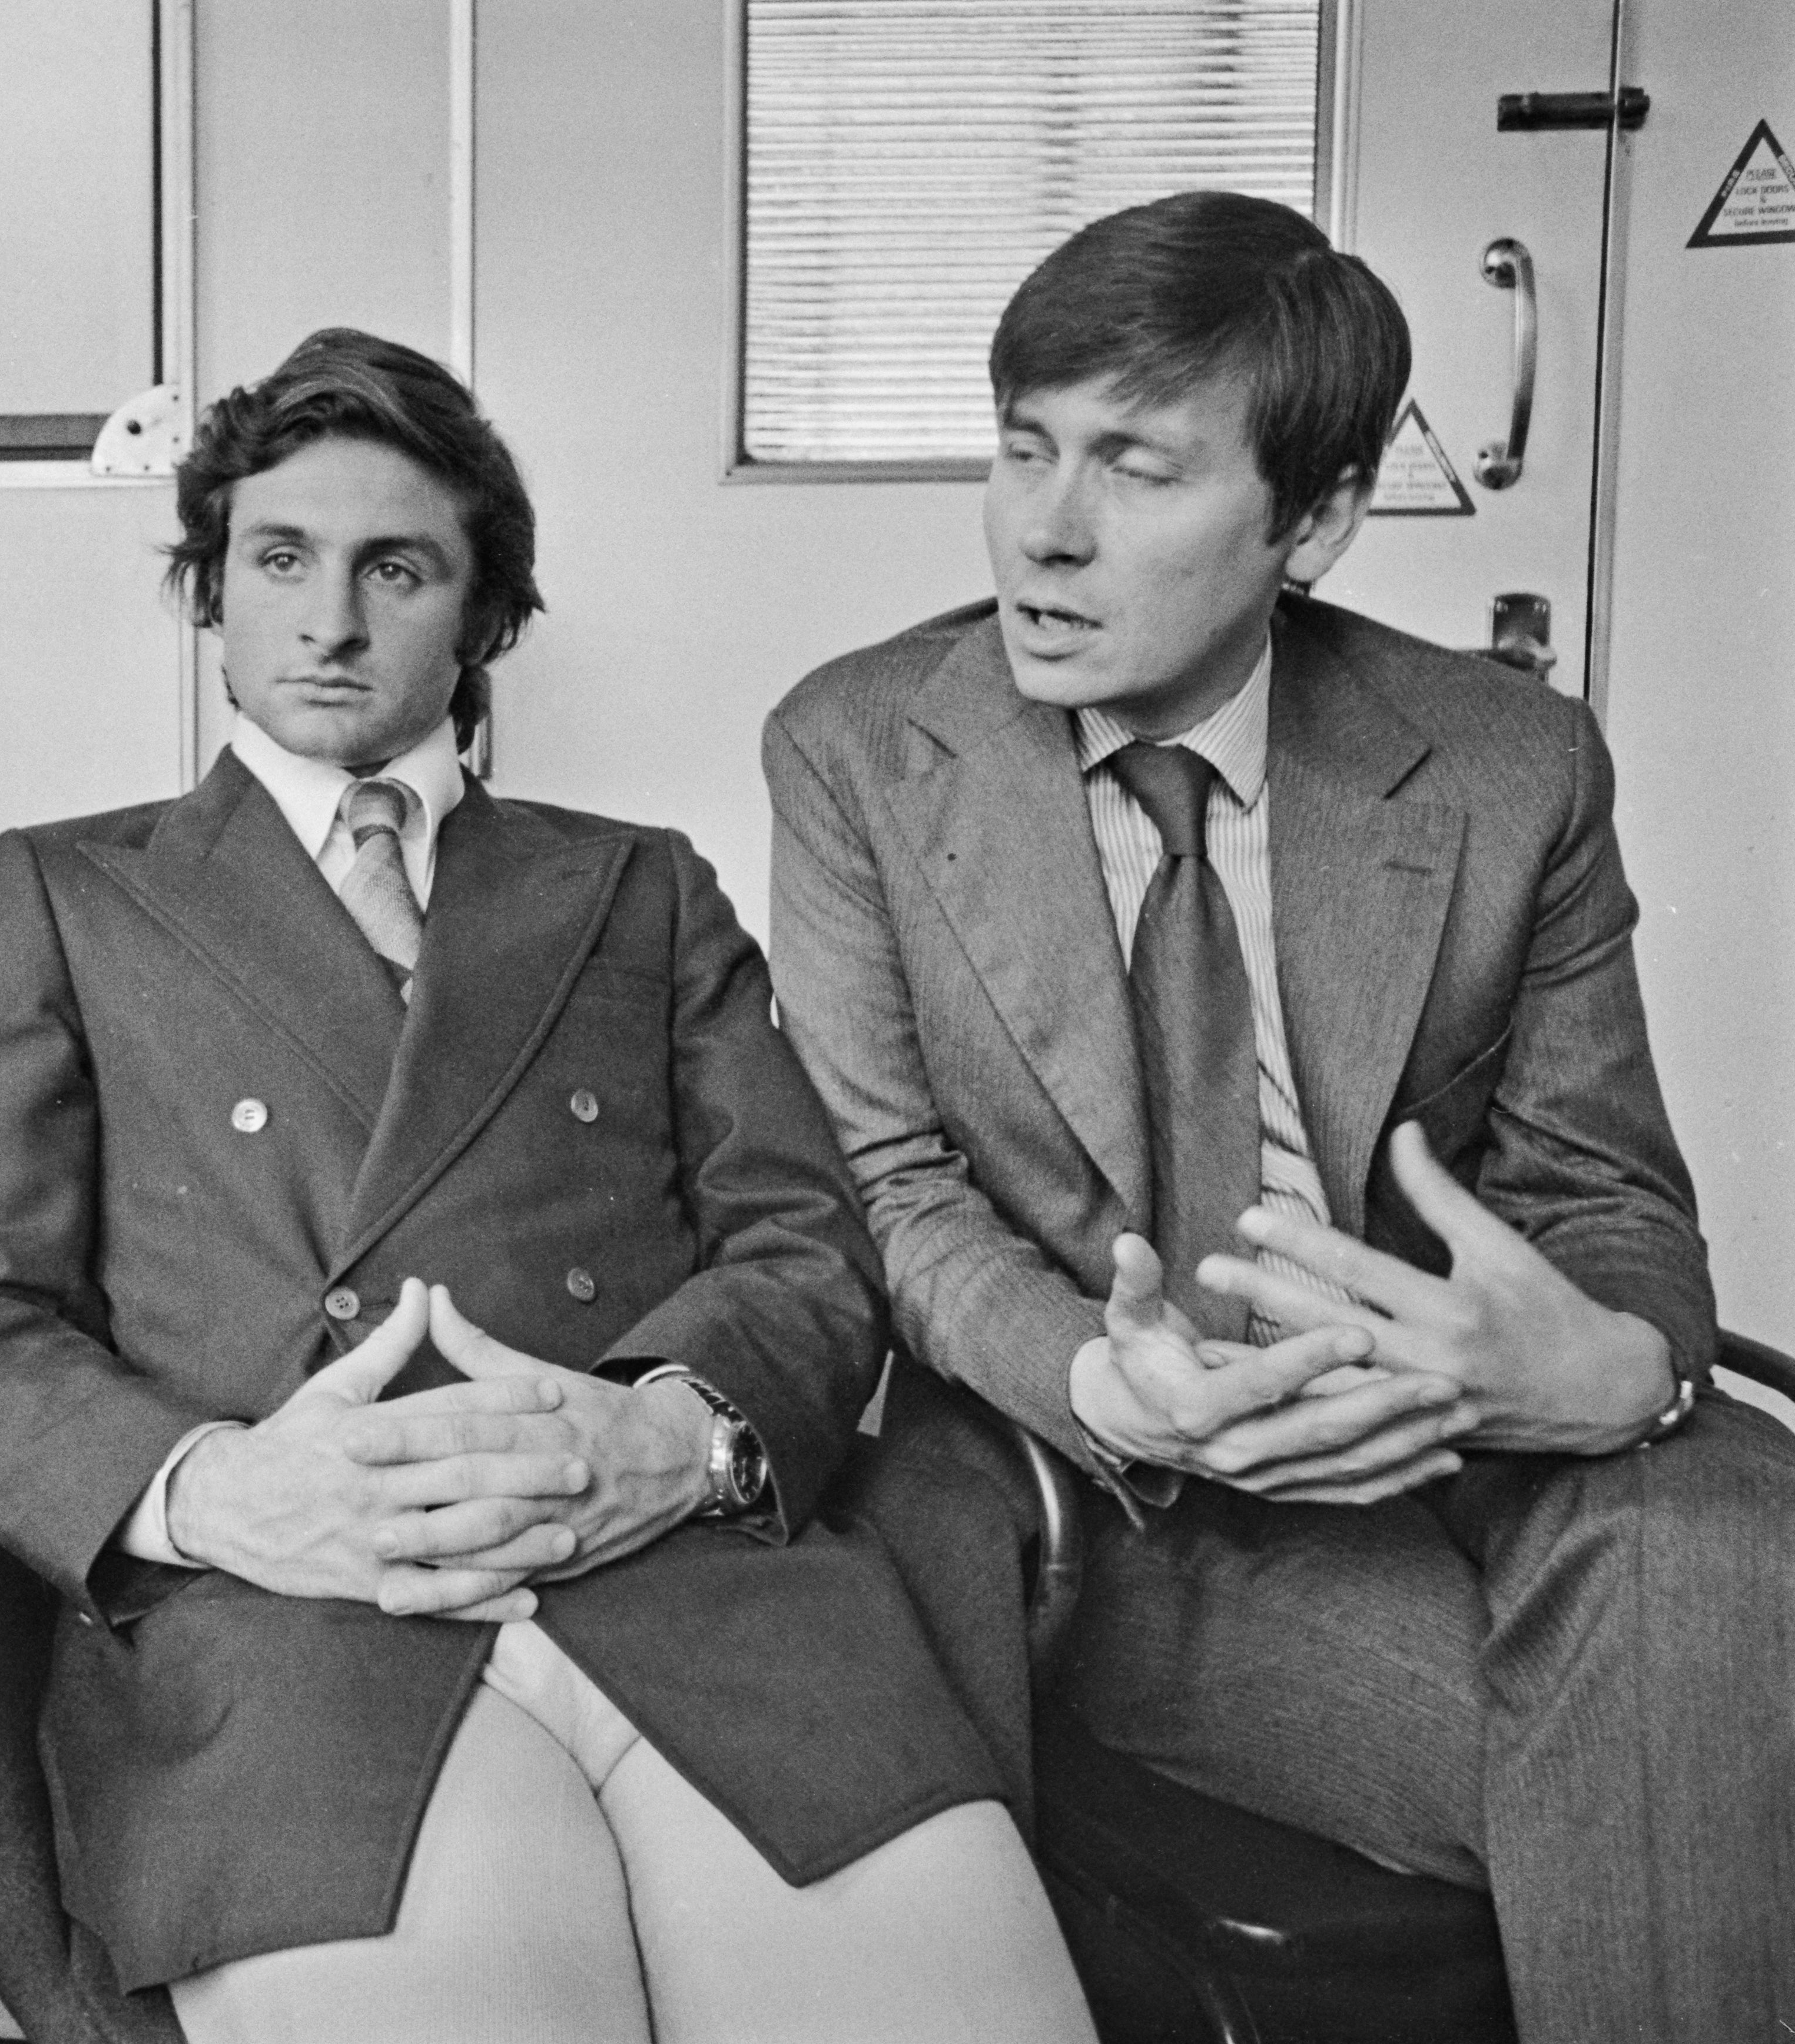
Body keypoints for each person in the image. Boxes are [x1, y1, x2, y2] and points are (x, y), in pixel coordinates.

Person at [0, 328, 1094, 2044]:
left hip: (689, 1580)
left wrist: (672, 1430)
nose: (327, 620)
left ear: (484, 614)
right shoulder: (67, 897)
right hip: (286, 1615)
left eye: (398, 568)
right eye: (277, 561)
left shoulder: (636, 888)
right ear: (210, 593)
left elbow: (805, 1242)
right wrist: (211, 1492)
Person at [764, 190, 1795, 2039]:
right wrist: (1097, 1376)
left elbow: (1606, 1194)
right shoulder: (857, 748)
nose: (1045, 534)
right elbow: (892, 1191)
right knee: (1706, 1778)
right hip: (1151, 1504)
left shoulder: (1504, 763)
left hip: (1520, 1453)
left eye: (1136, 470)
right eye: (1023, 451)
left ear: (1311, 521)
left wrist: (1616, 1369)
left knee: (1711, 1543)